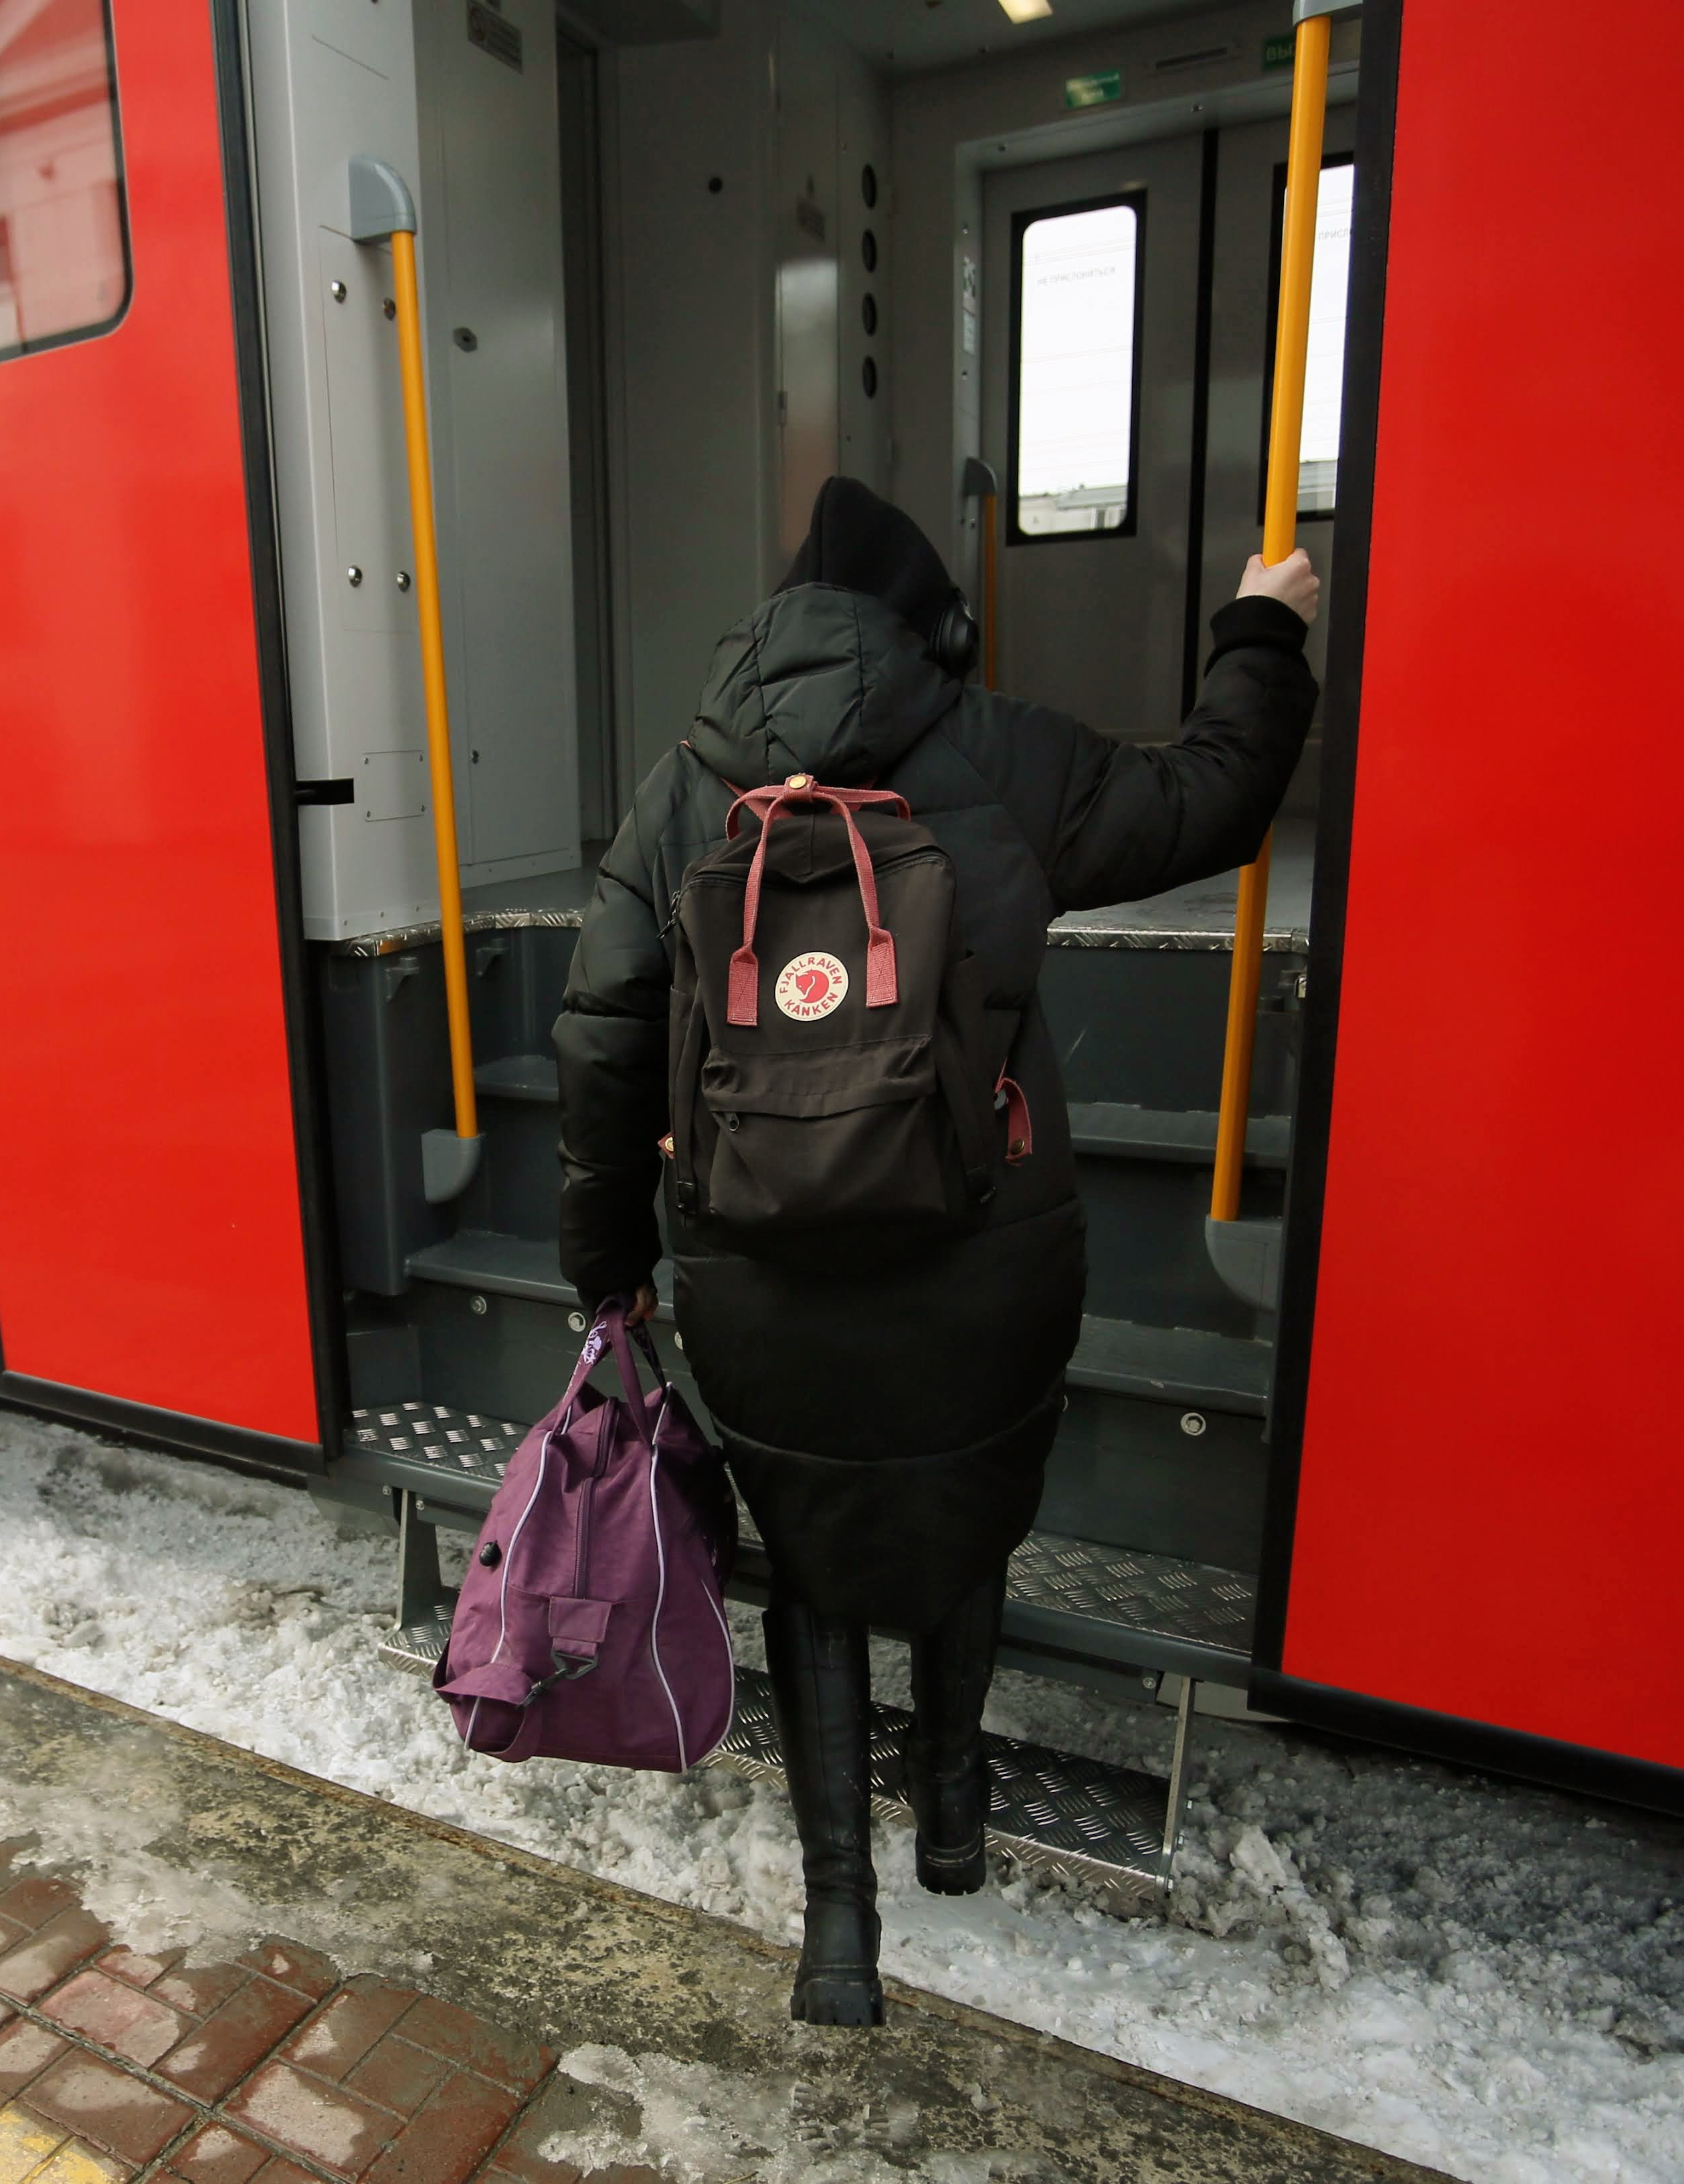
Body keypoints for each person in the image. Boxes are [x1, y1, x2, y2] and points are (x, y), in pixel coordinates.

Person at [552, 476, 1319, 2024]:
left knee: (815, 1568)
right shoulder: (1003, 751)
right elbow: (1215, 798)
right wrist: (1262, 627)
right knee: (965, 1511)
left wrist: (604, 1263)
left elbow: (601, 1038)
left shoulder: (683, 781)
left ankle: (842, 1930)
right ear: (924, 628)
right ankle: (954, 1821)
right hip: (986, 1258)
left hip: (758, 1274)